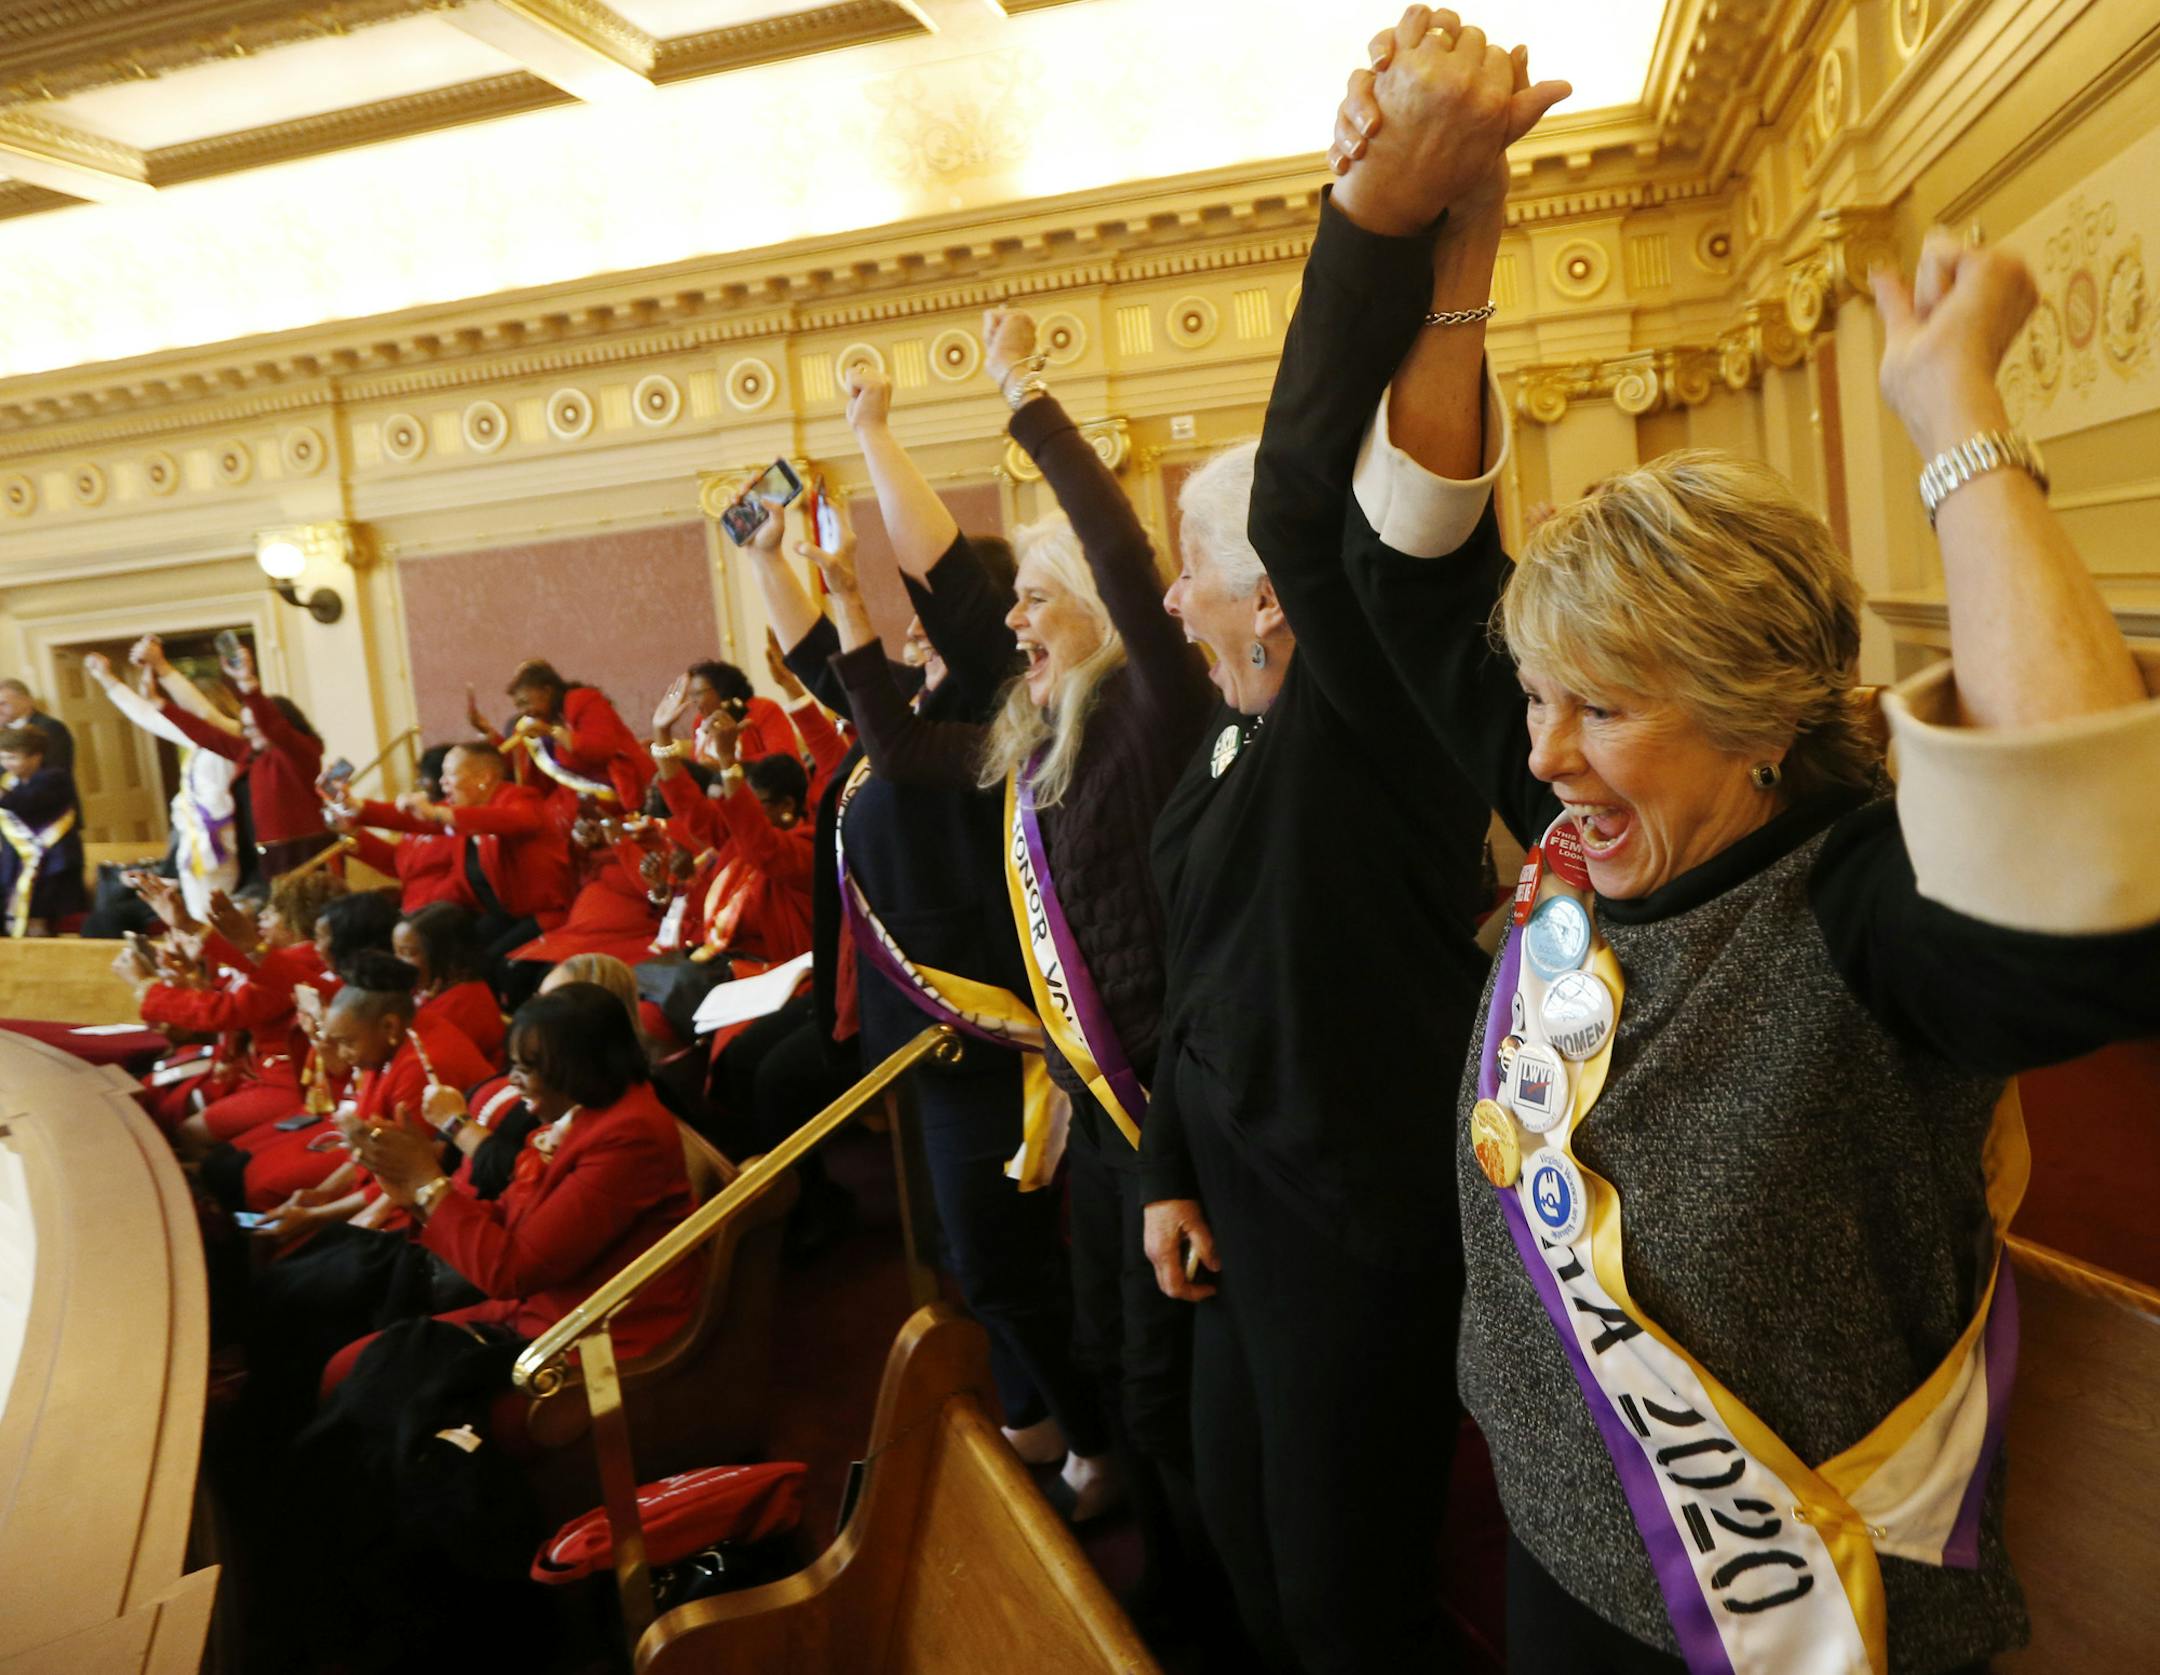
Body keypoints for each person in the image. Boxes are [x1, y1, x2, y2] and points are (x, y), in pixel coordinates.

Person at [1328, 13, 2160, 1672]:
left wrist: (1951, 415)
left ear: (1759, 708)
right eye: (1535, 697)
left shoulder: (1861, 904)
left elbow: (2094, 892)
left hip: (1790, 1614)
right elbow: (1409, 576)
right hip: (1561, 1541)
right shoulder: (1621, 803)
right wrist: (1464, 243)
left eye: (1600, 711)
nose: (1542, 757)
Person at [1134, 17, 1563, 1668]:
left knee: (1346, 1601)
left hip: (1354, 1220)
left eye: (1189, 568)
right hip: (1227, 1206)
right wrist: (1167, 1172)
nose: (1168, 602)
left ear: (1268, 600)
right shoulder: (1223, 746)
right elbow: (1190, 976)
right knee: (1237, 1534)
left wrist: (1432, 246)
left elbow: (1397, 535)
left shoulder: (1363, 712)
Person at [831, 312, 1219, 1573]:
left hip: (1171, 1094)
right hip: (1107, 1113)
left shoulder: (1153, 706)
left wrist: (1026, 395)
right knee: (1116, 1358)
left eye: (1037, 603)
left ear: (1102, 613)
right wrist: (842, 612)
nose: (1015, 626)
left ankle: (1208, 1592)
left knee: (1180, 1381)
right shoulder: (1034, 745)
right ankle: (1167, 1591)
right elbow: (894, 749)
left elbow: (1112, 540)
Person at [337, 741, 572, 974]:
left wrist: (440, 814)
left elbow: (516, 820)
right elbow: (414, 819)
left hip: (543, 913)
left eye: (450, 774)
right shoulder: (458, 810)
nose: (442, 783)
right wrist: (356, 807)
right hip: (504, 914)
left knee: (485, 967)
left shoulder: (520, 798)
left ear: (484, 778)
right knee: (457, 961)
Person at [86, 642, 244, 916]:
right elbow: (148, 717)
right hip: (194, 845)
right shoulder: (197, 743)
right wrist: (108, 680)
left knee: (217, 920)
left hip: (219, 844)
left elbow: (204, 715)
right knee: (198, 919)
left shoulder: (229, 740)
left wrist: (162, 668)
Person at [152, 639, 332, 879]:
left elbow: (275, 728)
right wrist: (160, 705)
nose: (248, 732)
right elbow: (207, 735)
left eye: (255, 725)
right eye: (246, 726)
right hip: (257, 855)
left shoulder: (301, 753)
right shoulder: (251, 755)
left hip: (297, 852)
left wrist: (248, 683)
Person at [474, 658, 652, 815]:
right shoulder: (531, 724)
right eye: (518, 707)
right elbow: (515, 766)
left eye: (525, 702)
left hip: (617, 788)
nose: (524, 711)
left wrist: (553, 733)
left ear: (546, 691)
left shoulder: (584, 700)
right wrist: (488, 732)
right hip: (570, 797)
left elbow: (601, 750)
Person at [393, 901, 507, 1063]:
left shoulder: (462, 1005)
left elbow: (414, 1055)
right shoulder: (427, 986)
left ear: (447, 956)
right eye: (396, 952)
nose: (397, 962)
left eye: (408, 953)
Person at [0, 724, 86, 935]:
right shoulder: (11, 780)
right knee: (17, 917)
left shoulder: (54, 777)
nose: (6, 764)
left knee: (42, 918)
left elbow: (29, 803)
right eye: (2, 758)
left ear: (35, 757)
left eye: (13, 758)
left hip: (54, 861)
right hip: (19, 860)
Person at [684, 657, 799, 765]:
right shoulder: (699, 721)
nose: (692, 701)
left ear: (722, 689)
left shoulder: (764, 709)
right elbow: (697, 768)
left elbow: (784, 758)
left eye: (697, 694)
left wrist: (728, 763)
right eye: (691, 695)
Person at [0, 677, 73, 773]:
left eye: (3, 704)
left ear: (26, 701)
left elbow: (54, 769)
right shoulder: (3, 731)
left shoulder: (50, 728)